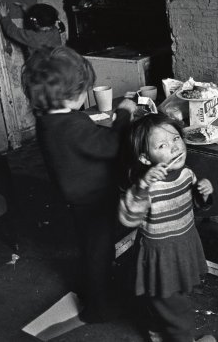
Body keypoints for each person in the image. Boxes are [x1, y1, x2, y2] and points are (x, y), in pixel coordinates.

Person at [21, 46, 137, 322]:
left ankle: (92, 289)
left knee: (91, 248)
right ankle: (97, 308)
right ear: (72, 94)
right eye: (84, 89)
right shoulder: (71, 125)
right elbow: (110, 146)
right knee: (99, 251)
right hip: (92, 198)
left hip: (75, 196)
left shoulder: (49, 120)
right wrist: (124, 114)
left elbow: (82, 142)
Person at [118, 113, 215, 342]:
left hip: (183, 246)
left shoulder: (186, 174)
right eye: (162, 145)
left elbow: (196, 207)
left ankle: (157, 333)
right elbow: (128, 218)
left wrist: (205, 194)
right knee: (177, 310)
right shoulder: (147, 187)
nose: (174, 147)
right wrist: (141, 187)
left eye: (176, 139)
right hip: (161, 257)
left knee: (164, 300)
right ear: (144, 158)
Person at [0, 2, 64, 56]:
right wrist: (29, 11)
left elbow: (12, 31)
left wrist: (5, 17)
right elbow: (41, 17)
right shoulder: (54, 29)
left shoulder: (34, 37)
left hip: (39, 67)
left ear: (36, 24)